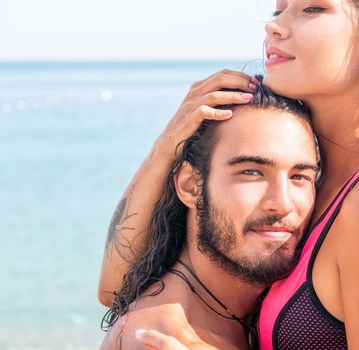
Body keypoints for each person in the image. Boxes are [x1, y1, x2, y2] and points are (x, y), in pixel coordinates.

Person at [100, 0, 359, 348]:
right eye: (278, 11)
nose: (274, 26)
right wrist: (169, 143)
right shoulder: (319, 177)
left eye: (313, 9)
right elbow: (116, 289)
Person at [100, 81, 320, 349]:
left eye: (300, 176)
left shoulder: (257, 311)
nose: (283, 204)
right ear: (190, 186)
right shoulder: (158, 339)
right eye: (251, 172)